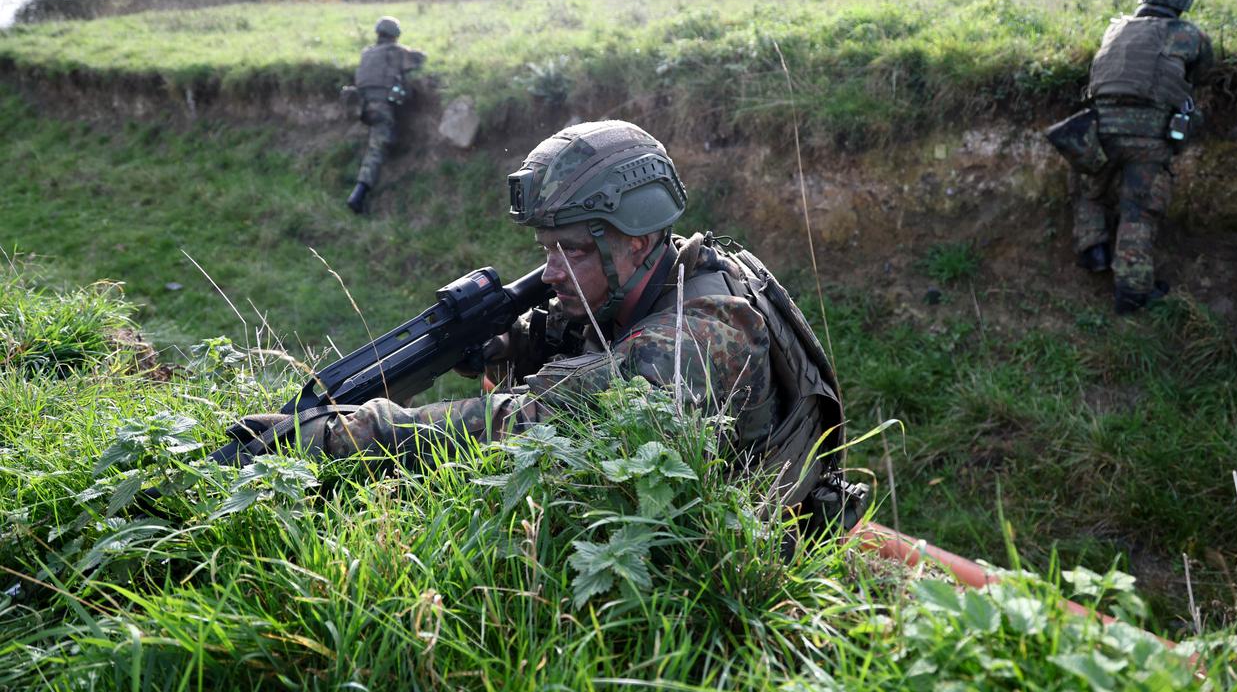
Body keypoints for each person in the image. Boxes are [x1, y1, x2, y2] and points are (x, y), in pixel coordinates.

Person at [232, 121, 857, 522]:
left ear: (637, 242)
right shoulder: (636, 283)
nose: (552, 272)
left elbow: (535, 421)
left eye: (574, 252)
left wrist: (349, 435)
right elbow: (568, 333)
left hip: (748, 548)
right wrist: (497, 341)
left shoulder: (701, 335)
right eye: (545, 250)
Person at [1074, 0, 1214, 314]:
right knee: (1138, 211)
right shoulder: (1190, 36)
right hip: (1150, 137)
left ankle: (1093, 250)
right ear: (1183, 4)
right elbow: (1203, 75)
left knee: (1089, 188)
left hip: (1100, 129)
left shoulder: (1115, 28)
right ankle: (1132, 294)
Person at [346, 16, 426, 213]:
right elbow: (420, 59)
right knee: (376, 148)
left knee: (379, 139)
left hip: (364, 109)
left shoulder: (366, 53)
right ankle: (359, 194)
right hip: (381, 108)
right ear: (394, 36)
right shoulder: (395, 51)